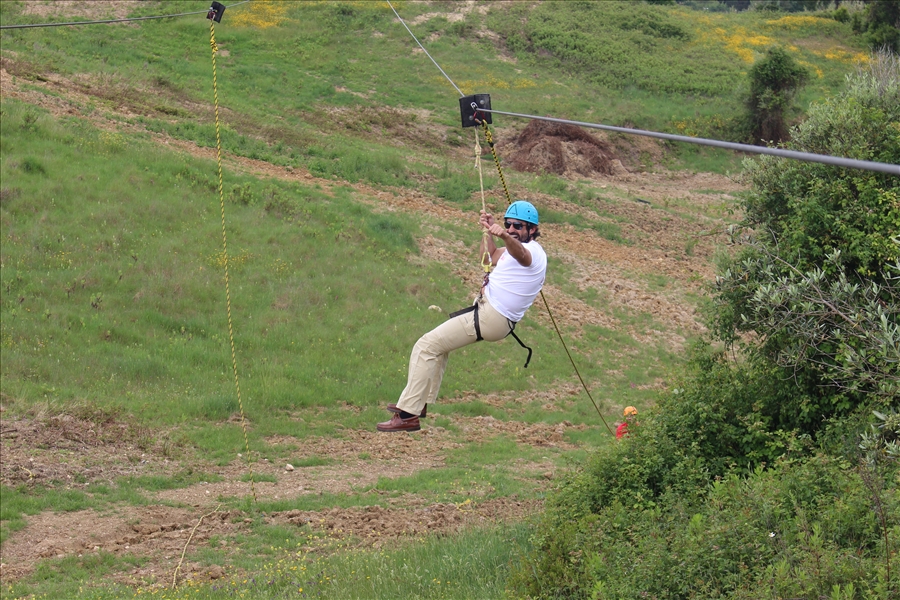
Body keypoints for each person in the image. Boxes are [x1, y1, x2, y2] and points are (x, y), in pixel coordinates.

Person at [377, 200, 548, 432]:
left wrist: (504, 236)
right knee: (438, 348)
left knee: (426, 346)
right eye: (508, 224)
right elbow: (488, 258)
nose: (511, 229)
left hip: (492, 317)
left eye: (517, 226)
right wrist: (488, 232)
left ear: (533, 229)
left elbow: (523, 256)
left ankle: (408, 415)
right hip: (491, 316)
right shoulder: (511, 250)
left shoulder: (534, 252)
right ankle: (419, 402)